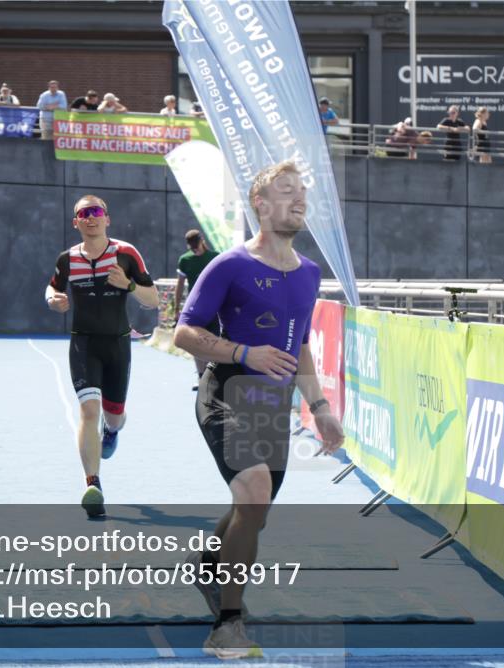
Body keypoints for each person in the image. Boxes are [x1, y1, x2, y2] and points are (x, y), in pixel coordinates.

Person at [173, 160, 345, 659]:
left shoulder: (309, 273)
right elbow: (184, 333)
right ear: (261, 206)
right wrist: (243, 353)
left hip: (274, 409)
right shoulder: (229, 265)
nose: (298, 199)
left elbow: (302, 346)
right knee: (254, 490)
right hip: (225, 394)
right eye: (285, 190)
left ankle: (206, 562)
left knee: (254, 513)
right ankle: (228, 625)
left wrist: (320, 406)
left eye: (302, 193)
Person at [45, 195, 159, 518]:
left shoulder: (125, 254)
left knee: (113, 416)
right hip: (83, 343)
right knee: (89, 410)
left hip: (118, 346)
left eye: (96, 212)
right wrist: (54, 299)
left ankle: (114, 431)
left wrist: (130, 287)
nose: (91, 218)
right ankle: (92, 484)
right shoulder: (67, 259)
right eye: (84, 213)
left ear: (107, 219)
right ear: (76, 222)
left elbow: (153, 300)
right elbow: (51, 288)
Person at [173, 230, 219, 389]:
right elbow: (179, 286)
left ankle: (211, 376)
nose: (195, 249)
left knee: (213, 342)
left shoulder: (215, 257)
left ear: (202, 240)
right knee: (196, 342)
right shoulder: (185, 260)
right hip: (194, 308)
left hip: (214, 308)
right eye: (192, 248)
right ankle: (201, 378)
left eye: (197, 246)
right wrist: (176, 308)